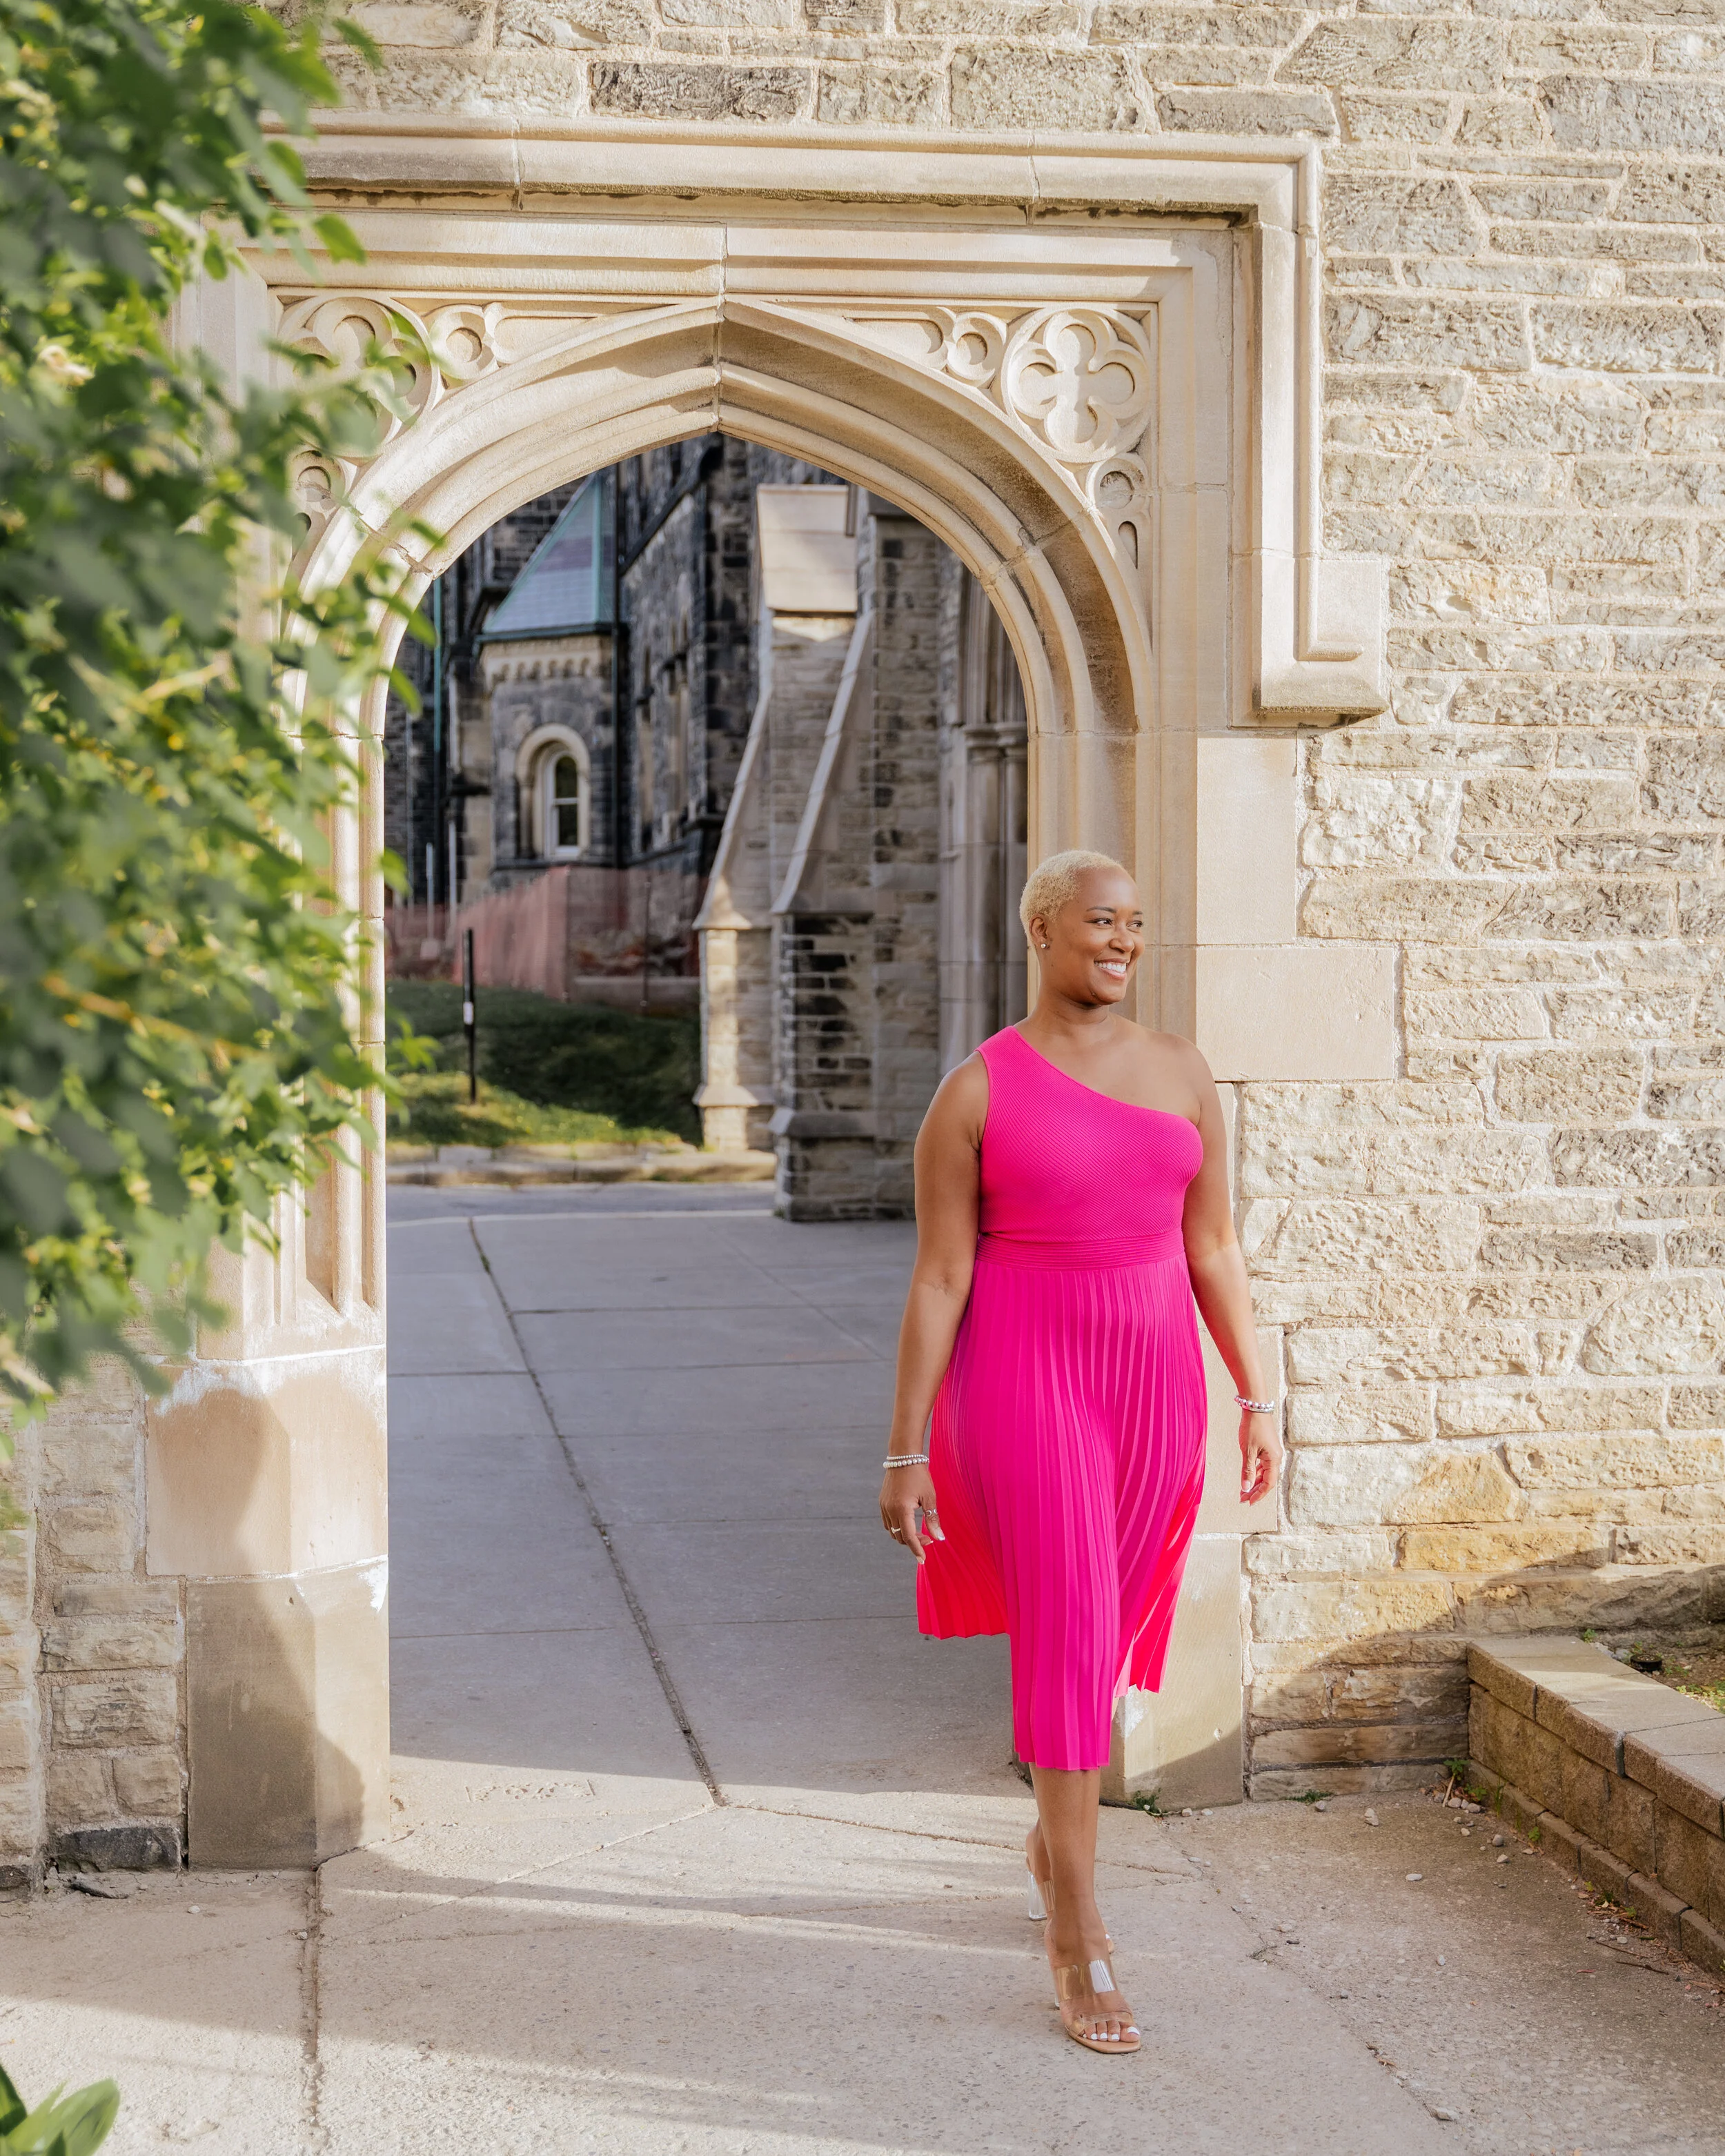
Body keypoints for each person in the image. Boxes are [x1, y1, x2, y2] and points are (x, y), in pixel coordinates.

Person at [876, 848, 1281, 2056]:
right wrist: (906, 1451)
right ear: (1043, 929)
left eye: (1138, 926)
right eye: (1102, 921)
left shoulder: (1185, 1074)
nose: (1124, 941)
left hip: (1157, 1381)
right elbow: (942, 1274)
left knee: (1101, 1631)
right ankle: (1079, 1928)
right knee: (1063, 1624)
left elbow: (1212, 1250)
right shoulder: (977, 1092)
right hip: (1026, 1375)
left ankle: (1055, 1840)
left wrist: (1256, 1398)